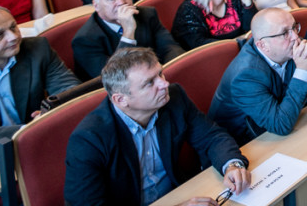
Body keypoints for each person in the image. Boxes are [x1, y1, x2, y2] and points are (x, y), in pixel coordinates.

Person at [64, 48, 250, 205]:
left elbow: (211, 136)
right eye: (149, 83)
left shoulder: (174, 97)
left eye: (160, 73)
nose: (164, 84)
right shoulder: (89, 139)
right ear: (121, 99)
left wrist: (232, 165)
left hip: (179, 194)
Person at [209, 7, 307, 147]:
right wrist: (303, 70)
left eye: (294, 27)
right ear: (263, 45)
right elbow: (281, 125)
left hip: (280, 128)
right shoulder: (245, 76)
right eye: (285, 33)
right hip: (245, 144)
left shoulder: (288, 47)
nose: (295, 37)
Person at [0, 6, 79, 155]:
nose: (13, 37)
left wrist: (51, 112)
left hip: (42, 145)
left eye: (13, 27)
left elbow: (70, 91)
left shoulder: (38, 49)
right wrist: (32, 130)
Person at [71, 0, 184, 80]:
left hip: (158, 78)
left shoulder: (148, 14)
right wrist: (128, 32)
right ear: (96, 5)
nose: (121, 2)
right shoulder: (85, 40)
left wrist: (171, 73)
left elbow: (170, 47)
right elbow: (112, 78)